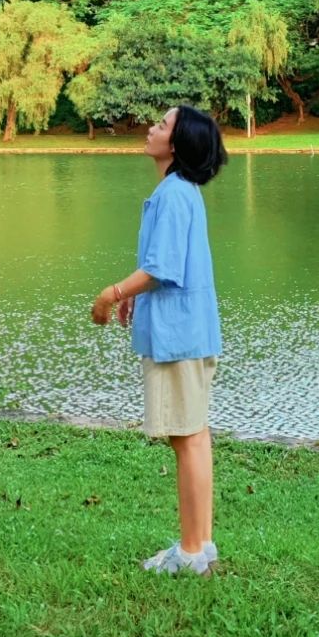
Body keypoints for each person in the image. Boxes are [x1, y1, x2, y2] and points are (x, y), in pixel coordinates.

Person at [90, 105, 227, 576]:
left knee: (186, 438)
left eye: (163, 125)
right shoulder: (179, 192)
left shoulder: (173, 195)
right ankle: (200, 545)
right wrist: (137, 297)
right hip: (189, 331)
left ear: (177, 144)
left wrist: (112, 294)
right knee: (194, 437)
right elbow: (166, 268)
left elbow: (161, 270)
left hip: (178, 339)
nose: (152, 129)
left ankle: (190, 553)